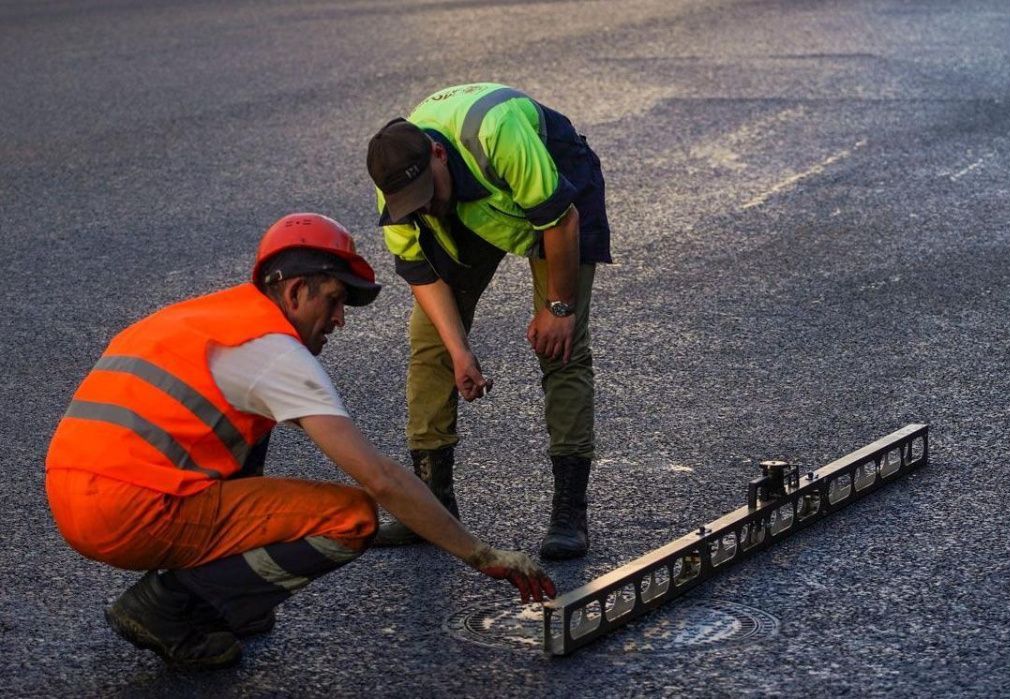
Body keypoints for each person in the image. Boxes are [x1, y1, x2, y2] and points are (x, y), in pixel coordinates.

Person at [44, 213, 555, 671]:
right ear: (294, 292)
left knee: (256, 431)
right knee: (350, 517)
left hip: (70, 493)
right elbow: (379, 479)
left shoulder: (204, 317)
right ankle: (173, 606)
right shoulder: (273, 352)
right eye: (334, 300)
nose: (339, 319)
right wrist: (480, 554)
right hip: (130, 512)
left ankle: (212, 597)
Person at [366, 83, 612, 560]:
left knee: (562, 348)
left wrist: (558, 309)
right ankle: (431, 503)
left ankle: (568, 512)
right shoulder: (396, 185)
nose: (425, 208)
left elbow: (560, 221)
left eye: (427, 194)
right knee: (430, 342)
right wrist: (459, 352)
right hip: (475, 205)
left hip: (557, 198)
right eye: (412, 204)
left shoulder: (497, 133)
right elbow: (422, 274)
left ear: (438, 153)